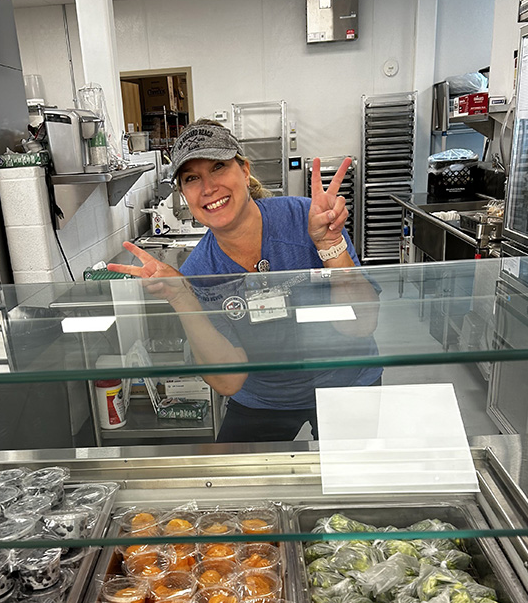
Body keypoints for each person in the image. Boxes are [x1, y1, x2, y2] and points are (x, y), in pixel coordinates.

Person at [108, 119, 381, 443]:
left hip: (345, 381)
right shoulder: (200, 270)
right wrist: (182, 297)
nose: (208, 187)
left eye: (219, 167)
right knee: (237, 487)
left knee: (352, 482)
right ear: (183, 194)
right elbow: (228, 382)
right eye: (192, 178)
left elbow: (362, 324)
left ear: (244, 170)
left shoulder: (306, 219)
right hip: (265, 398)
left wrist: (329, 246)